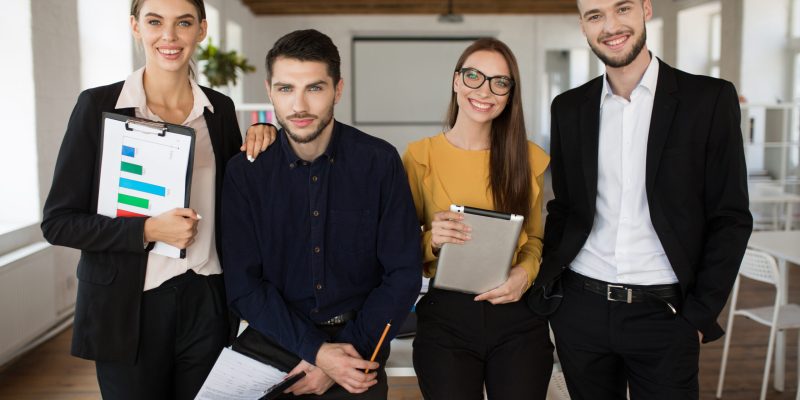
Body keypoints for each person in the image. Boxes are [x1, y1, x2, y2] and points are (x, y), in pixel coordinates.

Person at [40, 0, 272, 398]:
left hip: (208, 299)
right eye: (154, 21)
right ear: (135, 27)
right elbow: (59, 221)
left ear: (200, 30)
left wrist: (263, 134)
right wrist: (146, 230)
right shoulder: (97, 106)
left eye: (183, 23)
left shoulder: (220, 110)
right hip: (129, 306)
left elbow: (237, 199)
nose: (169, 36)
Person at [528, 0, 753, 399]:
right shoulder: (569, 107)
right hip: (581, 308)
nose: (610, 26)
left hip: (666, 313)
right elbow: (563, 208)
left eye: (623, 9)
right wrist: (555, 293)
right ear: (583, 26)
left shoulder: (709, 99)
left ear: (646, 10)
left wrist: (699, 315)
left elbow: (730, 216)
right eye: (595, 16)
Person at [221, 29, 422, 399]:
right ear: (269, 91)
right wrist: (316, 352)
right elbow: (243, 284)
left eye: (314, 88)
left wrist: (343, 356)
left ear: (337, 90)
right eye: (285, 89)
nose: (299, 105)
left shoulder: (380, 162)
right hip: (275, 339)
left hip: (359, 343)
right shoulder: (245, 172)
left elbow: (404, 274)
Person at [401, 38, 553, 400]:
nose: (485, 91)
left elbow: (533, 239)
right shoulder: (420, 157)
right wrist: (432, 239)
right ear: (456, 81)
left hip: (516, 312)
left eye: (499, 82)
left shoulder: (528, 158)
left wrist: (525, 274)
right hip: (447, 318)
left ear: (510, 93)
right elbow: (400, 248)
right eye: (474, 77)